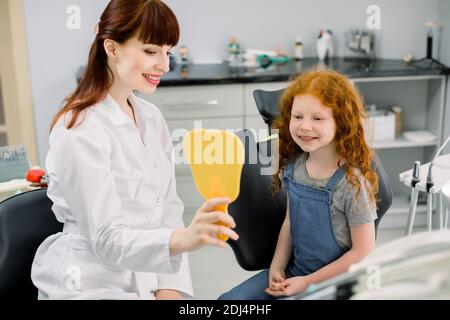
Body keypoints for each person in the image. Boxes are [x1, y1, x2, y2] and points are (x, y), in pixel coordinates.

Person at [31, 0, 238, 300]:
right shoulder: (78, 129)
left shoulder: (151, 118)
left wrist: (170, 289)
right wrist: (182, 240)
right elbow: (106, 240)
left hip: (149, 276)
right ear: (112, 48)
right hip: (90, 280)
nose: (164, 65)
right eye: (151, 51)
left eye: (167, 51)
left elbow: (167, 210)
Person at [219, 69, 378, 300]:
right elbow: (290, 223)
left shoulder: (352, 184)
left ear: (341, 123)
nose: (304, 126)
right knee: (229, 302)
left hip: (337, 284)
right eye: (298, 116)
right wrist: (277, 267)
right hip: (296, 273)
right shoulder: (295, 167)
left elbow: (363, 252)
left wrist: (307, 283)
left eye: (318, 118)